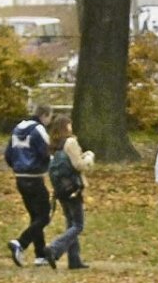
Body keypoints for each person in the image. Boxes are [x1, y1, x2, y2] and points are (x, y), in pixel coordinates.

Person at [40, 115, 94, 269]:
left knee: (70, 222)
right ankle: (54, 248)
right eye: (70, 124)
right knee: (78, 225)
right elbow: (78, 165)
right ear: (66, 126)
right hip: (73, 187)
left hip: (60, 188)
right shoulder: (70, 142)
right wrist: (88, 158)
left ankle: (74, 259)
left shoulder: (54, 145)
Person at [6, 103, 55, 265]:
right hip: (35, 177)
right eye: (49, 117)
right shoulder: (38, 129)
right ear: (45, 115)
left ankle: (40, 254)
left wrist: (16, 166)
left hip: (20, 177)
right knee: (44, 216)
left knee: (35, 216)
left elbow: (8, 154)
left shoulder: (18, 128)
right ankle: (21, 242)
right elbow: (46, 151)